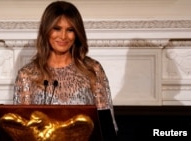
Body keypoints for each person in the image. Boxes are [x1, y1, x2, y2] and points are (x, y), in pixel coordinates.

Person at [13, 1, 118, 140]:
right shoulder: (27, 75)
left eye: (70, 30)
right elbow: (21, 133)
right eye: (57, 28)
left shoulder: (92, 69)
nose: (63, 36)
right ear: (46, 30)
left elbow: (107, 126)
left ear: (77, 33)